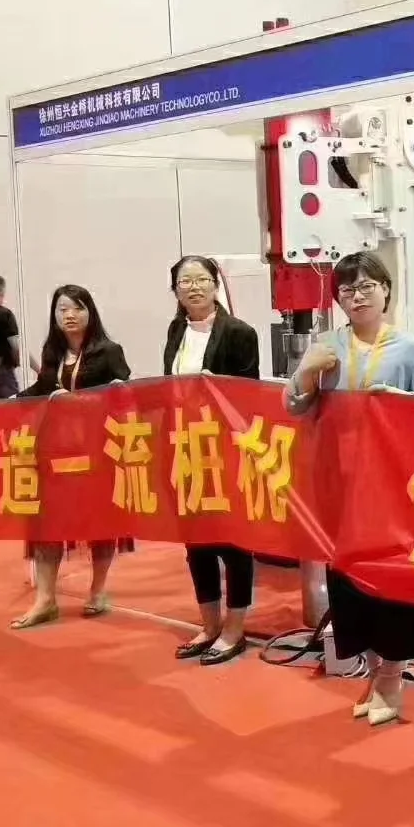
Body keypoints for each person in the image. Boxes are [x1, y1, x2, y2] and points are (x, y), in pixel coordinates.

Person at [286, 251, 414, 727]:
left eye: (368, 286)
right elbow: (294, 406)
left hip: (390, 487)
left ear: (386, 290)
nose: (358, 296)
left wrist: (400, 401)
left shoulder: (410, 350)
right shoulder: (327, 346)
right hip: (339, 484)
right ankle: (373, 670)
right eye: (348, 289)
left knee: (390, 581)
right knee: (348, 583)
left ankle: (392, 675)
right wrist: (307, 371)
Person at [12, 285, 132, 629]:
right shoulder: (53, 352)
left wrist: (80, 402)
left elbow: (124, 396)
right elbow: (41, 390)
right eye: (62, 309)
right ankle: (45, 600)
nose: (69, 315)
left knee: (100, 523)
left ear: (90, 312)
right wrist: (3, 403)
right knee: (46, 523)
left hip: (98, 450)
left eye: (77, 308)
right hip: (57, 451)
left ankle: (98, 590)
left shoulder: (109, 351)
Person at [163, 255, 261, 666]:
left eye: (201, 279)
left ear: (215, 284)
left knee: (234, 543)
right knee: (197, 542)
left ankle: (235, 629)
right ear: (175, 290)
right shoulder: (176, 330)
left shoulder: (239, 332)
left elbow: (248, 394)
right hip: (187, 448)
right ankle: (209, 625)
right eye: (185, 281)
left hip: (226, 450)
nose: (194, 287)